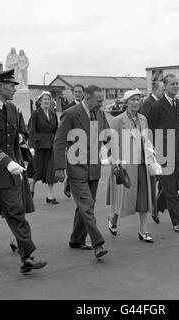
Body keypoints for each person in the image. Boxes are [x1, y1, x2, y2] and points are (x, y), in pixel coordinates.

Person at [0, 69, 47, 273]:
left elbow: (18, 135)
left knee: (17, 213)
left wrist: (21, 151)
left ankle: (27, 257)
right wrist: (7, 162)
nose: (15, 88)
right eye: (12, 85)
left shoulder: (13, 109)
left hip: (11, 171)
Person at [54, 85, 110, 259]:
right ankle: (97, 243)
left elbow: (108, 137)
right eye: (99, 100)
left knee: (86, 205)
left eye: (102, 100)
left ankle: (76, 239)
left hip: (94, 167)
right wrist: (60, 168)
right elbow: (59, 142)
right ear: (87, 97)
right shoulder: (71, 114)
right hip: (76, 167)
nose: (102, 103)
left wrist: (117, 160)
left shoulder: (100, 114)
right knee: (87, 205)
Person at [106, 89, 155, 243]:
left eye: (138, 99)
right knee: (122, 198)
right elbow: (112, 144)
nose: (136, 102)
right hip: (125, 165)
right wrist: (115, 164)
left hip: (142, 164)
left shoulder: (143, 119)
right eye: (133, 99)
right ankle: (113, 219)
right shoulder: (117, 121)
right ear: (126, 102)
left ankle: (143, 230)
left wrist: (151, 154)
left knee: (143, 197)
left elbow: (147, 139)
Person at [147, 74, 179, 233]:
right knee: (170, 188)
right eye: (172, 84)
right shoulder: (157, 106)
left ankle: (157, 204)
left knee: (177, 183)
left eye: (177, 83)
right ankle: (177, 221)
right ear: (165, 86)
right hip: (162, 152)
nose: (175, 86)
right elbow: (149, 129)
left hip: (177, 150)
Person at [139, 81, 165, 224]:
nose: (163, 92)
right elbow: (145, 126)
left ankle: (158, 204)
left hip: (159, 144)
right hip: (152, 146)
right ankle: (155, 206)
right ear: (155, 90)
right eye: (162, 89)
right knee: (157, 178)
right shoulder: (149, 104)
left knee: (162, 178)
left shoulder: (157, 102)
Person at [28, 91, 59, 204]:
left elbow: (56, 131)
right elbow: (31, 130)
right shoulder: (36, 113)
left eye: (48, 99)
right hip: (39, 146)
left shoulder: (53, 114)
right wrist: (31, 147)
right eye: (44, 99)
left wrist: (59, 145)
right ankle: (31, 188)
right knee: (38, 171)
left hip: (51, 146)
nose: (47, 101)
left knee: (51, 171)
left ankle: (50, 196)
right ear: (40, 101)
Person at [60, 84, 85, 199]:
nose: (78, 94)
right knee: (73, 166)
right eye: (76, 92)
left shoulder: (88, 107)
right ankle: (69, 183)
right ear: (73, 93)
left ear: (83, 93)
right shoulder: (68, 109)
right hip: (73, 142)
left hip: (85, 143)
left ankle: (79, 187)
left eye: (80, 92)